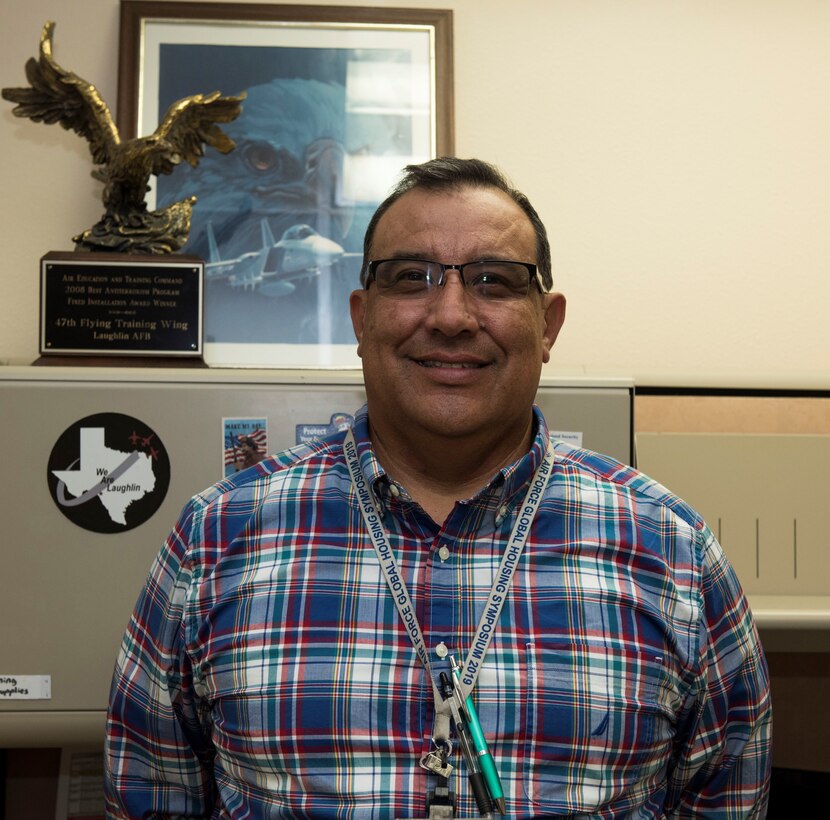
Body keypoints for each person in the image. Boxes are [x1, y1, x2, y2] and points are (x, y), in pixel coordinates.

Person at [104, 157, 772, 818]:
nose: (451, 315)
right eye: (411, 278)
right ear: (362, 319)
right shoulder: (216, 539)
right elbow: (149, 797)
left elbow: (728, 795)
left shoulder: (673, 552)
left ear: (548, 325)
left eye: (494, 281)